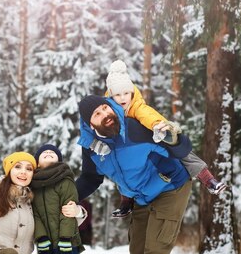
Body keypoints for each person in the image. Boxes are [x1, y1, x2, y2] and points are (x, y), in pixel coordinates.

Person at [75, 94, 193, 254]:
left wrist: (175, 137)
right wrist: (66, 198)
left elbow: (182, 148)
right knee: (138, 250)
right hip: (141, 195)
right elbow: (90, 178)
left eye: (105, 108)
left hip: (171, 187)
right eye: (97, 114)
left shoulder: (136, 128)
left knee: (155, 248)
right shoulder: (92, 149)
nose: (105, 115)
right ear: (89, 124)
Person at [79, 60, 227, 218]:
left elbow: (151, 117)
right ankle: (126, 201)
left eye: (126, 93)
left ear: (132, 93)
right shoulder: (106, 110)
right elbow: (87, 130)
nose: (122, 98)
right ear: (110, 96)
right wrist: (94, 143)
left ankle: (207, 178)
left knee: (184, 154)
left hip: (157, 139)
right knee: (118, 164)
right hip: (124, 157)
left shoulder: (138, 108)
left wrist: (160, 128)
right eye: (117, 95)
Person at [26, 144, 85, 254]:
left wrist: (66, 239)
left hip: (68, 243)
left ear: (59, 160)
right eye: (44, 153)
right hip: (46, 246)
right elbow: (34, 214)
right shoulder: (33, 185)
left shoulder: (65, 181)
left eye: (53, 153)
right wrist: (41, 238)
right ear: (37, 162)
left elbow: (67, 212)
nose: (49, 153)